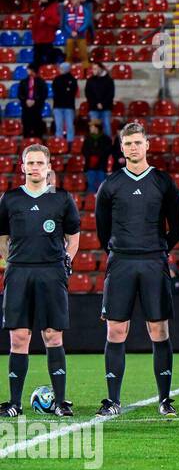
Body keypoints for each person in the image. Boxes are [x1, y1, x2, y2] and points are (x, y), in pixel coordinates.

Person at [93, 123, 179, 417]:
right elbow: (101, 228)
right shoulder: (110, 184)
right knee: (116, 329)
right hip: (121, 261)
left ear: (147, 145)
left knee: (158, 330)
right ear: (121, 148)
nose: (133, 148)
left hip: (153, 261)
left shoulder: (162, 181)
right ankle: (112, 400)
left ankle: (165, 400)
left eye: (137, 143)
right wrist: (119, 250)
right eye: (128, 143)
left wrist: (159, 248)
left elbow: (178, 224)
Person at [0, 145, 80, 418]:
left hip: (51, 272)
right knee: (19, 337)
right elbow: (2, 237)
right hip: (19, 273)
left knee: (52, 335)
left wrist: (66, 260)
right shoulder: (10, 199)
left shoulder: (61, 198)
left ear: (48, 167)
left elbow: (74, 235)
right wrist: (10, 260)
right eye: (30, 163)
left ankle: (60, 402)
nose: (34, 167)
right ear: (22, 167)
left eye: (39, 163)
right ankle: (14, 404)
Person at [61, 0, 93, 67]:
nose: (72, 1)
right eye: (71, 0)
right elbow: (65, 23)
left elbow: (86, 22)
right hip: (70, 36)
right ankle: (67, 72)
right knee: (68, 56)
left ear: (78, 0)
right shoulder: (68, 11)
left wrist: (78, 31)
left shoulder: (85, 10)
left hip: (81, 36)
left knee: (83, 55)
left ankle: (86, 72)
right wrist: (71, 31)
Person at [31, 0, 61, 69]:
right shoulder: (41, 8)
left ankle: (50, 73)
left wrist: (45, 21)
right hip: (38, 38)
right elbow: (36, 21)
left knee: (49, 59)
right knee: (37, 59)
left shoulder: (52, 8)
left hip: (47, 38)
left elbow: (56, 22)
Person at [85, 62, 114, 137]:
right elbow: (88, 94)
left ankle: (107, 146)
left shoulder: (109, 80)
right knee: (94, 128)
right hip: (93, 108)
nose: (93, 71)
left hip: (106, 108)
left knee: (107, 127)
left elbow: (110, 95)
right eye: (93, 69)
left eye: (95, 69)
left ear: (100, 69)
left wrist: (102, 104)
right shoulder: (90, 80)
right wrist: (96, 103)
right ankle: (95, 146)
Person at [51, 63, 77, 143]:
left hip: (69, 106)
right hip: (58, 106)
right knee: (59, 126)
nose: (60, 70)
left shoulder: (72, 80)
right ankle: (59, 142)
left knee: (70, 126)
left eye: (62, 68)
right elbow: (56, 91)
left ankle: (70, 143)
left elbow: (71, 92)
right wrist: (66, 90)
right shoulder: (56, 79)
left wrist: (64, 91)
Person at [83, 119, 111, 192]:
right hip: (90, 166)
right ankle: (91, 202)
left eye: (91, 127)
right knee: (91, 185)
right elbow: (84, 150)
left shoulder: (106, 139)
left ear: (96, 127)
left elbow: (107, 151)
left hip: (101, 166)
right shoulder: (87, 138)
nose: (90, 128)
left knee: (102, 187)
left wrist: (95, 154)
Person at [19, 69, 47, 139]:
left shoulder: (41, 82)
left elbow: (44, 94)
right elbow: (20, 94)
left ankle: (38, 142)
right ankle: (26, 142)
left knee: (37, 125)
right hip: (26, 107)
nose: (27, 71)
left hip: (37, 107)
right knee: (26, 125)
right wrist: (26, 100)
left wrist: (35, 101)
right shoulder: (23, 82)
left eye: (29, 69)